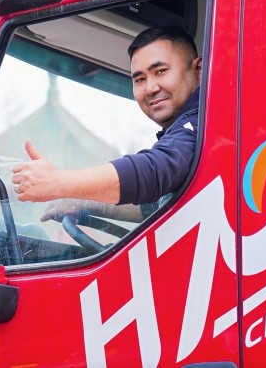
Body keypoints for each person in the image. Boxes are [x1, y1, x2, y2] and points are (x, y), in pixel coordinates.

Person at [11, 25, 201, 222]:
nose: (150, 88)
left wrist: (56, 182)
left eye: (161, 71)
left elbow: (154, 171)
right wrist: (83, 203)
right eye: (140, 79)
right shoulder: (182, 134)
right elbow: (156, 203)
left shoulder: (200, 126)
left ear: (198, 70)